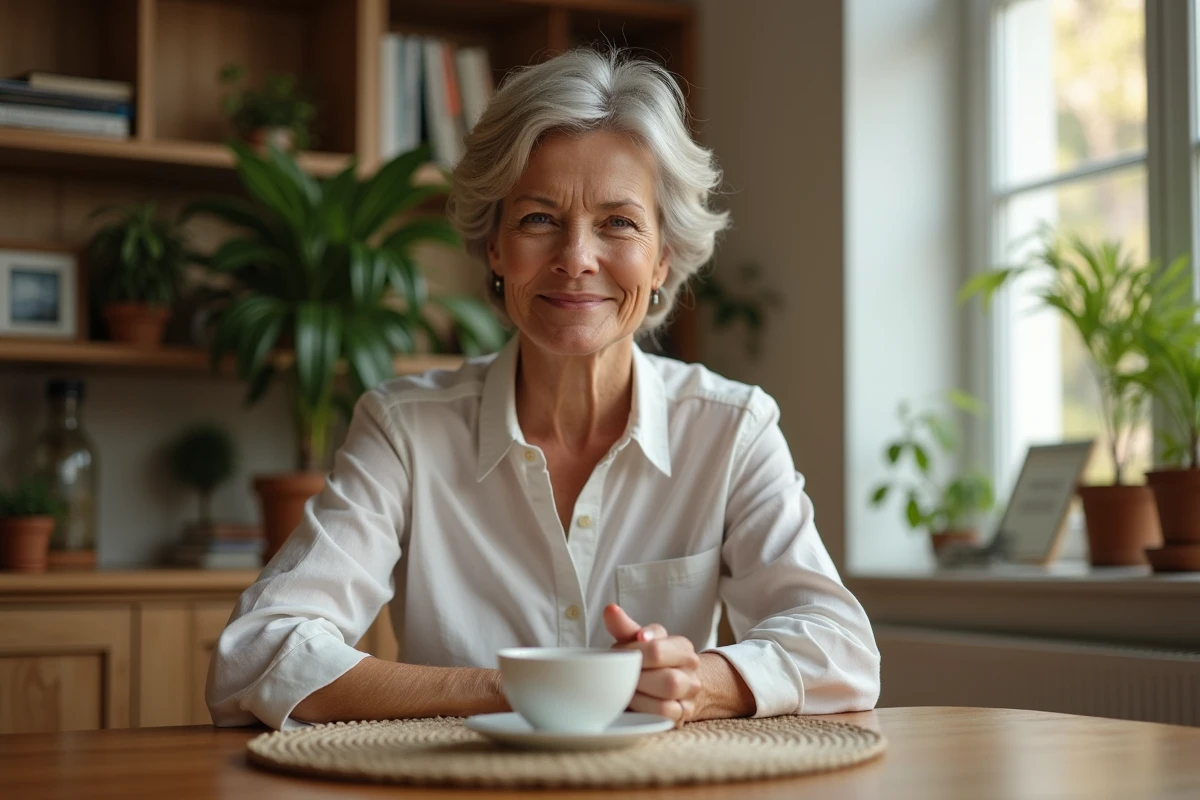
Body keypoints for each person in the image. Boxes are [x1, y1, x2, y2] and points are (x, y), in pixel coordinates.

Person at [207, 48, 880, 731]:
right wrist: (526, 689)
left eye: (618, 223)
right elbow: (256, 653)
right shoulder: (404, 430)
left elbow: (842, 647)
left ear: (663, 256)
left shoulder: (732, 429)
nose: (576, 258)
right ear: (495, 247)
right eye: (537, 219)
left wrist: (700, 682)